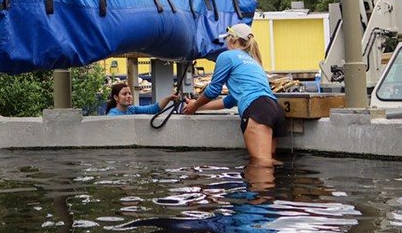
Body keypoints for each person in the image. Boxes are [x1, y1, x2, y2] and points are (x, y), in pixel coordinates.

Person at [182, 23, 286, 162]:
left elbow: (213, 90)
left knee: (261, 167)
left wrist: (194, 107)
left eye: (226, 38)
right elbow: (230, 100)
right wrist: (198, 106)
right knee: (270, 163)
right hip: (274, 109)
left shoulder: (227, 56)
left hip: (257, 110)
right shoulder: (253, 61)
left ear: (233, 40)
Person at [106, 82, 179, 115]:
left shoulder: (132, 110)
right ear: (116, 97)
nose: (128, 96)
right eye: (124, 94)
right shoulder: (113, 114)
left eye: (129, 93)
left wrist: (168, 98)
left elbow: (152, 109)